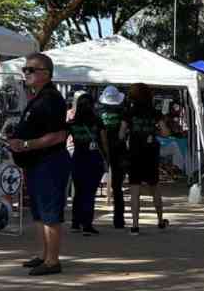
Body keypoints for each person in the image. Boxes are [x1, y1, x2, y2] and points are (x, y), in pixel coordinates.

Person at [10, 52, 71, 276]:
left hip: (50, 162)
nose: (25, 73)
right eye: (24, 70)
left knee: (50, 212)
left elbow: (58, 136)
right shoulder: (37, 97)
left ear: (46, 73)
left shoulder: (52, 99)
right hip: (37, 163)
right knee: (38, 212)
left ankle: (53, 261)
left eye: (31, 70)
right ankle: (44, 255)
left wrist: (25, 144)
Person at [120, 83, 167, 234]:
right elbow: (166, 132)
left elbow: (121, 134)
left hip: (134, 153)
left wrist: (130, 135)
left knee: (134, 189)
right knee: (155, 188)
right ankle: (160, 221)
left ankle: (135, 225)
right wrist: (154, 133)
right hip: (151, 153)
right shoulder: (155, 112)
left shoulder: (129, 112)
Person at [68, 91, 106, 236]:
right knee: (89, 193)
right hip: (94, 160)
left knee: (78, 192)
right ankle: (87, 224)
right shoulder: (98, 122)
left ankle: (75, 223)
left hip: (77, 159)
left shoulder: (72, 123)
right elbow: (104, 142)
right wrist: (106, 158)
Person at [97, 85, 127, 228]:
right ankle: (119, 220)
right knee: (117, 187)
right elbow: (123, 134)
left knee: (90, 186)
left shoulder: (97, 113)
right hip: (119, 151)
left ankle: (84, 221)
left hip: (100, 151)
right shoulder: (123, 113)